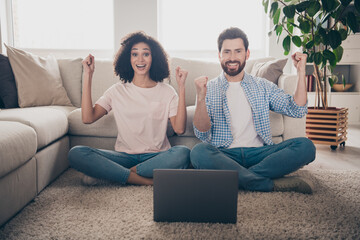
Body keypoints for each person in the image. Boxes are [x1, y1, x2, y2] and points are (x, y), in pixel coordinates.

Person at [190, 27, 316, 194]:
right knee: (199, 152)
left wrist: (301, 71)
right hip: (226, 155)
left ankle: (239, 178)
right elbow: (202, 134)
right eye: (227, 52)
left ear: (247, 54)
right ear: (219, 55)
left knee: (306, 146)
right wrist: (200, 98)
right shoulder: (209, 88)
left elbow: (297, 109)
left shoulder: (262, 85)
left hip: (261, 153)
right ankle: (268, 183)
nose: (232, 57)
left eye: (238, 51)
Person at [68, 31, 190, 186]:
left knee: (183, 154)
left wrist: (181, 87)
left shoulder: (167, 91)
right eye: (134, 54)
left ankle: (112, 173)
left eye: (146, 54)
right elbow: (87, 118)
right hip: (123, 156)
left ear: (154, 58)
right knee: (77, 153)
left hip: (156, 156)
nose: (140, 59)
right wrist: (88, 75)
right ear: (128, 58)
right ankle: (146, 181)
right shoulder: (116, 90)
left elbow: (179, 129)